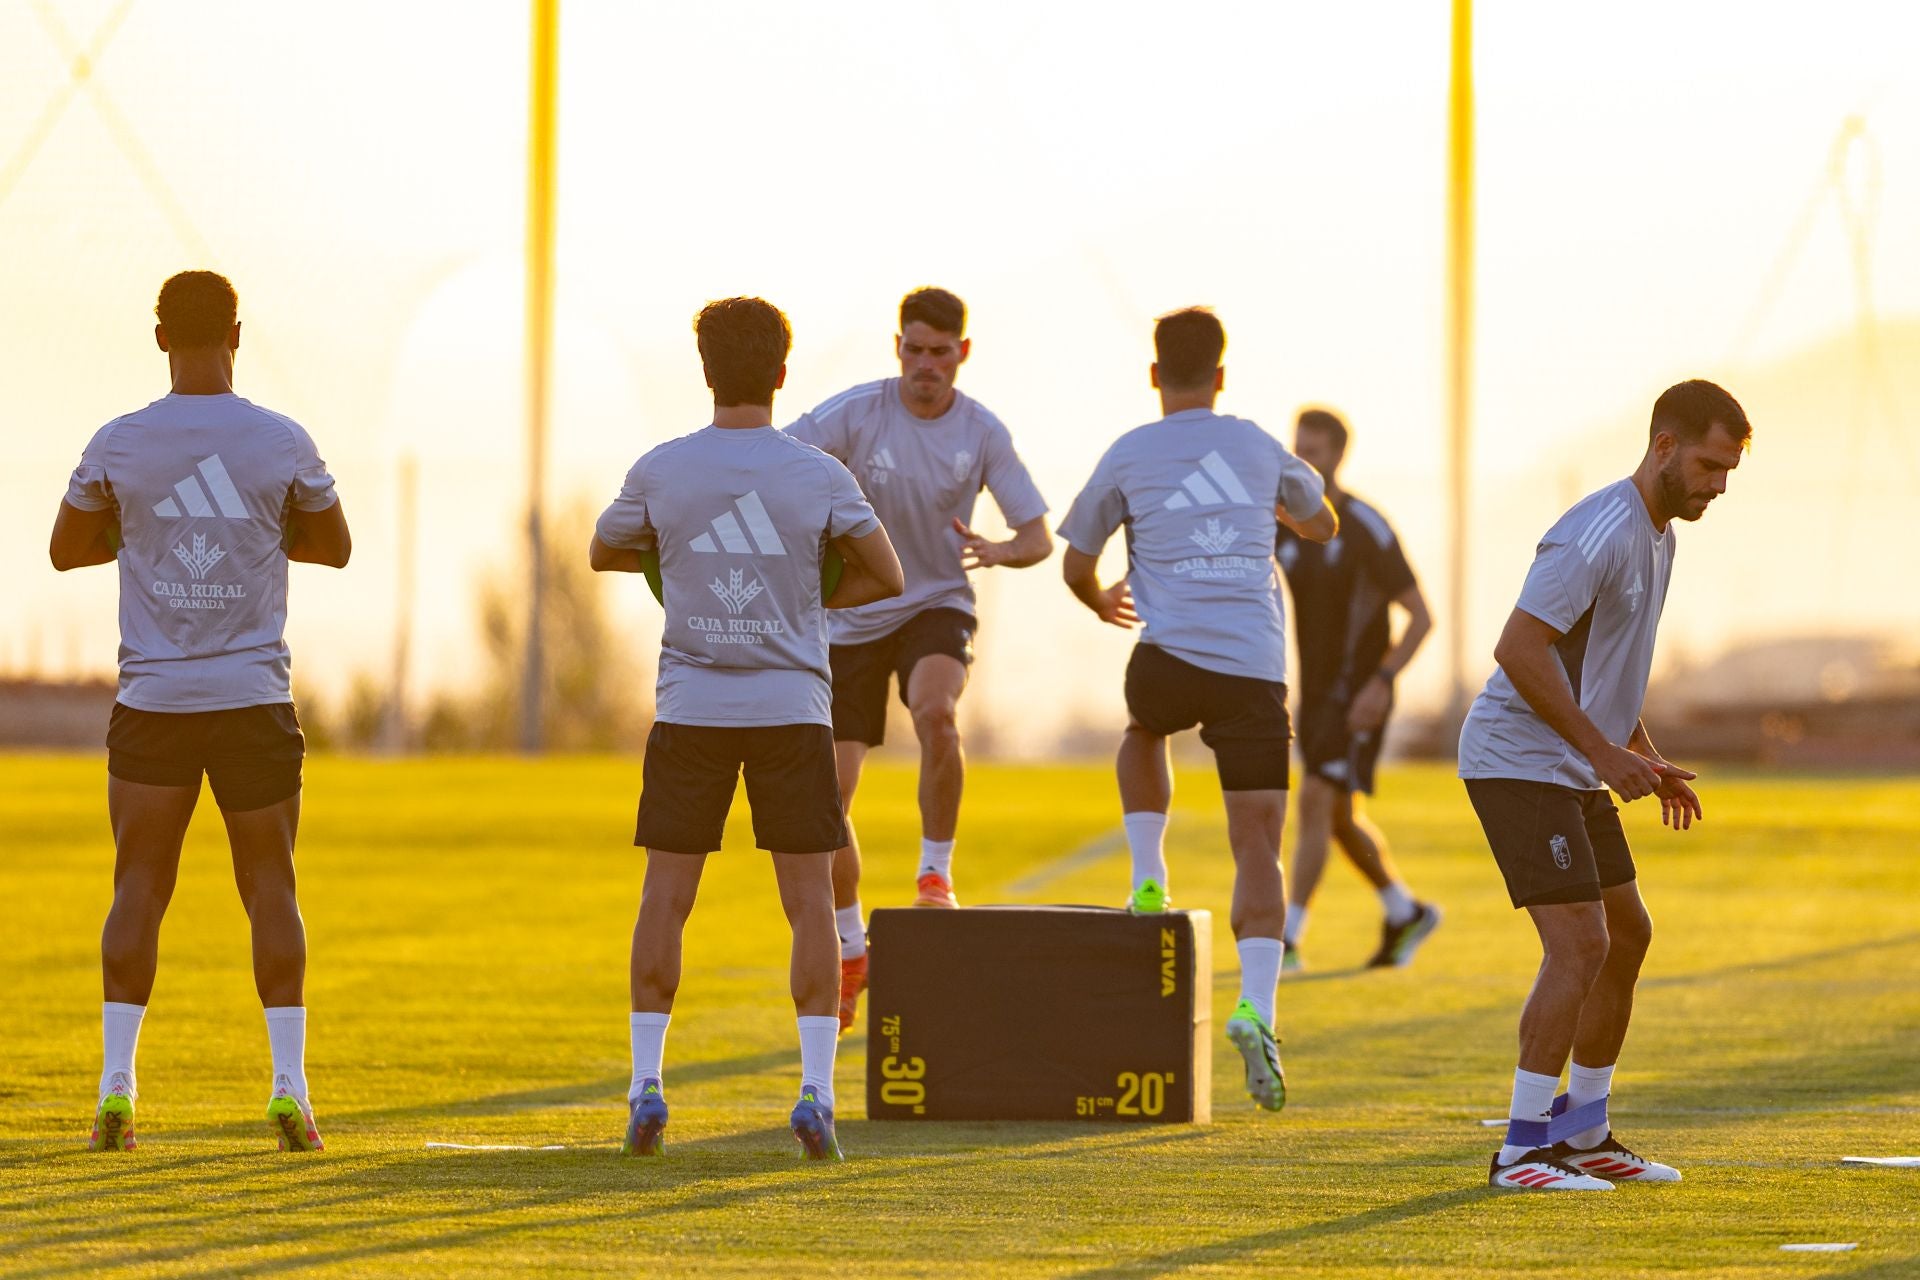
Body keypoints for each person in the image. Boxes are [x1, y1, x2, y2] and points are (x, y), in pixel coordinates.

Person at [592, 297, 903, 1160]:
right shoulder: (817, 475)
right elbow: (888, 573)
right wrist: (807, 595)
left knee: (666, 898)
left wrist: (679, 576)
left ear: (705, 371)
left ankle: (646, 1084)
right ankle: (815, 1094)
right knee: (808, 907)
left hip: (692, 709)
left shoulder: (665, 469)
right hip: (792, 712)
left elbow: (605, 550)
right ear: (780, 373)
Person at [49, 270, 352, 1153]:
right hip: (253, 699)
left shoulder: (120, 442)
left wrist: (141, 535)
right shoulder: (279, 440)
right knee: (271, 889)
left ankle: (116, 1088)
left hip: (155, 700)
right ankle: (291, 1087)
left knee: (138, 885)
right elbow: (335, 546)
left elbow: (66, 549)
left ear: (158, 339)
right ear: (237, 334)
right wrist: (256, 533)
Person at [1462, 379, 1748, 1191]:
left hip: (1573, 763)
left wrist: (1643, 757)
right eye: (1707, 464)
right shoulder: (1598, 534)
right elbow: (1518, 649)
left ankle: (1584, 1133)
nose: (1717, 484)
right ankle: (1521, 1152)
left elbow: (1605, 669)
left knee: (1628, 935)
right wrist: (1602, 751)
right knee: (1580, 945)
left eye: (1728, 471)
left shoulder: (1662, 536)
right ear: (1663, 445)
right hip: (1518, 761)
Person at [1056, 307, 1336, 1112]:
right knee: (1259, 850)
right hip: (1252, 667)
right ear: (1221, 375)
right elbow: (1322, 522)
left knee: (1143, 729)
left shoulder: (1131, 452)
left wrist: (1099, 597)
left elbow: (1077, 560)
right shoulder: (1253, 443)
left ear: (1155, 375)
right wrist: (1280, 513)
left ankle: (1149, 877)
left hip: (1169, 657)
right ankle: (1259, 1008)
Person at [785, 287, 1051, 1033]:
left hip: (936, 600)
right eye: (913, 349)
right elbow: (780, 456)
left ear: (962, 354)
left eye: (940, 352)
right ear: (896, 347)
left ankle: (934, 872)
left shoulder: (982, 431)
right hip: (853, 615)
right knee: (826, 802)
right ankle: (850, 948)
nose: (925, 365)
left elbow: (1037, 536)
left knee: (937, 711)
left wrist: (999, 549)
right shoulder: (857, 413)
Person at [1276, 409, 1440, 972]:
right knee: (1340, 818)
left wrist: (1382, 683)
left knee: (1317, 799)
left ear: (1339, 456)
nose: (1304, 461)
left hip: (1361, 693)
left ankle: (1288, 940)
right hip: (1316, 695)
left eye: (1314, 452)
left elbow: (1421, 617)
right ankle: (1404, 911)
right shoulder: (1284, 523)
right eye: (1297, 450)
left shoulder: (1367, 525)